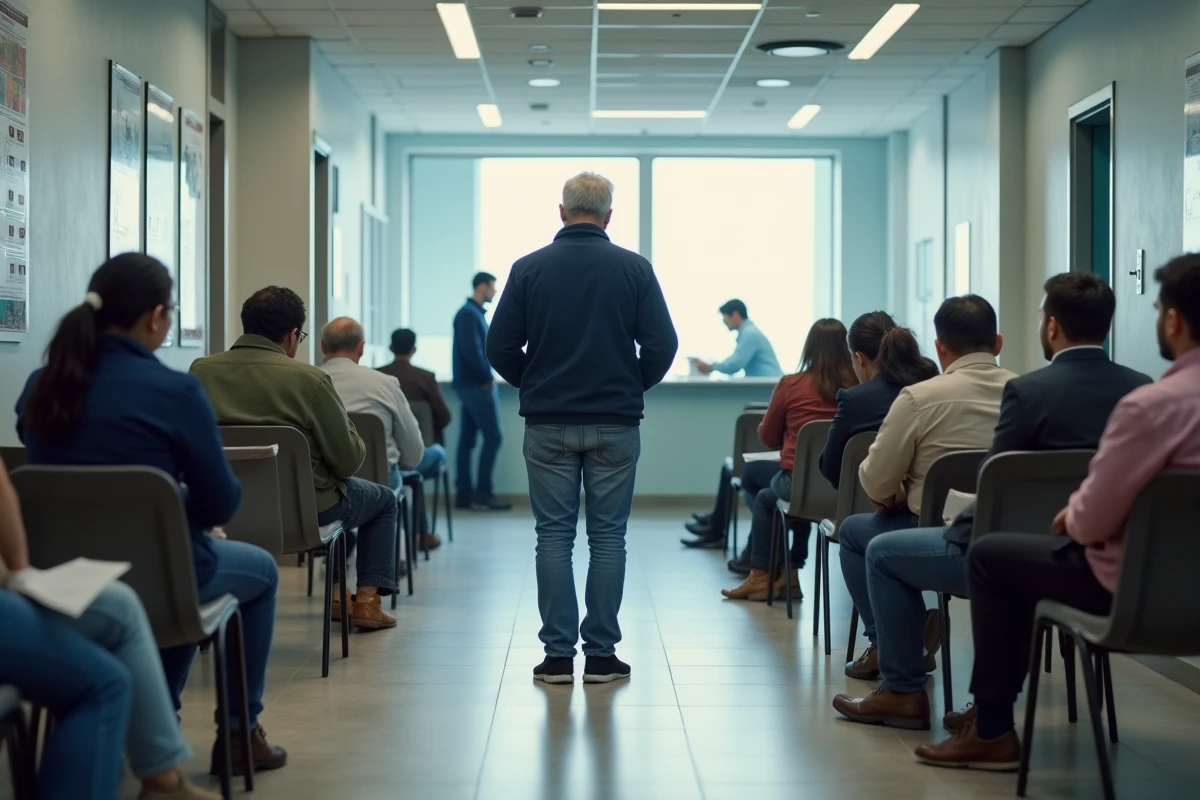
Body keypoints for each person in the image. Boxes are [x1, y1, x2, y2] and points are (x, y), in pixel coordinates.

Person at [914, 256, 1200, 770]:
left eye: (1159, 309)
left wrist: (1073, 514)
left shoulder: (1152, 406)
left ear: (1175, 320)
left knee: (992, 555)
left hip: (1133, 589)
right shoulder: (1140, 386)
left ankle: (993, 729)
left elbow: (1091, 521)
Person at [832, 273, 1152, 732]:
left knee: (875, 547)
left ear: (940, 348)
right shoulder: (1133, 389)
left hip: (988, 545)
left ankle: (904, 683)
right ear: (998, 342)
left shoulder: (1008, 395)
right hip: (1101, 554)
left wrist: (943, 515)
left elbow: (886, 483)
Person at [14, 253, 286, 778]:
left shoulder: (41, 385)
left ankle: (160, 723)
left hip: (57, 576)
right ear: (156, 316)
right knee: (257, 572)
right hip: (159, 575)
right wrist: (183, 508)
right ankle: (239, 734)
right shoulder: (175, 391)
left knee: (171, 564)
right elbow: (220, 503)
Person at [486, 171, 678, 684]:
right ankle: (600, 656)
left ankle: (556, 658)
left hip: (547, 421)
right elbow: (663, 345)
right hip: (615, 422)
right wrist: (630, 385)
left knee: (552, 536)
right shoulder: (635, 269)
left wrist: (535, 384)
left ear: (562, 211)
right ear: (609, 216)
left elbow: (498, 346)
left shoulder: (528, 269)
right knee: (608, 537)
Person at [0, 457, 221, 800]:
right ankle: (234, 735)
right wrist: (17, 571)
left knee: (121, 602)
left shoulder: (34, 420)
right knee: (105, 683)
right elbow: (220, 499)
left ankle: (162, 778)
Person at [191, 286, 399, 630]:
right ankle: (365, 602)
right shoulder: (310, 379)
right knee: (385, 499)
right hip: (306, 514)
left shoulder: (201, 371)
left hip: (223, 510)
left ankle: (340, 595)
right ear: (292, 336)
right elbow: (348, 462)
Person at [838, 295, 1014, 681]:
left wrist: (900, 491)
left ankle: (894, 661)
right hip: (1014, 539)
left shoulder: (921, 398)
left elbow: (876, 481)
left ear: (940, 347)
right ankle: (907, 642)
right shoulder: (1027, 394)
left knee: (855, 534)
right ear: (998, 343)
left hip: (938, 536)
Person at [720, 319, 857, 600]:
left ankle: (763, 573)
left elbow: (767, 437)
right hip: (848, 490)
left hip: (798, 484)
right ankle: (790, 571)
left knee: (763, 492)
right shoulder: (858, 389)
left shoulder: (791, 385)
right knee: (775, 492)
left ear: (810, 348)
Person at [319, 318, 437, 551]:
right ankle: (385, 561)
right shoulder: (385, 384)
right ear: (361, 348)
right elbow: (413, 453)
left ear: (323, 347)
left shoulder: (307, 383)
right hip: (380, 480)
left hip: (324, 485)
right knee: (388, 490)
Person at [819, 312, 940, 489]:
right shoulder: (932, 380)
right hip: (932, 495)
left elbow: (830, 468)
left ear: (859, 359)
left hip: (872, 499)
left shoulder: (854, 400)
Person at [378, 327, 453, 536]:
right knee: (423, 460)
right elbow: (445, 417)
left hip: (382, 455)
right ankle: (422, 534)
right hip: (418, 453)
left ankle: (418, 532)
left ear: (391, 347)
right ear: (414, 349)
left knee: (407, 468)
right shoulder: (425, 378)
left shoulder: (377, 376)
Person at [453, 271, 510, 512]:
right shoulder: (469, 314)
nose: (495, 292)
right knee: (493, 437)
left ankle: (465, 494)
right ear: (481, 286)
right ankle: (482, 494)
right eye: (492, 287)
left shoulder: (472, 313)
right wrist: (487, 377)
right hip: (477, 385)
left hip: (469, 385)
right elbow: (473, 350)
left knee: (467, 440)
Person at [689, 299, 783, 378]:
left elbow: (735, 364)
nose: (724, 321)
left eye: (724, 317)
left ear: (735, 315)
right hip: (768, 385)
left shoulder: (749, 334)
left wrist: (711, 367)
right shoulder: (749, 332)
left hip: (769, 386)